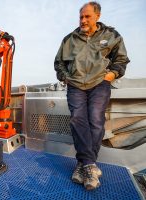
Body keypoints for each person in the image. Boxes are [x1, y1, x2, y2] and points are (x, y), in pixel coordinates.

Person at [54, 1, 130, 190]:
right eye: (81, 16)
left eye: (87, 16)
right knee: (77, 120)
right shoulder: (69, 39)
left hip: (99, 83)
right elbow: (58, 63)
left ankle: (83, 165)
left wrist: (110, 75)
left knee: (96, 121)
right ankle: (89, 166)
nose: (83, 20)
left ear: (98, 16)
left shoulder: (112, 35)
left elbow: (121, 60)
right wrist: (65, 78)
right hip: (76, 85)